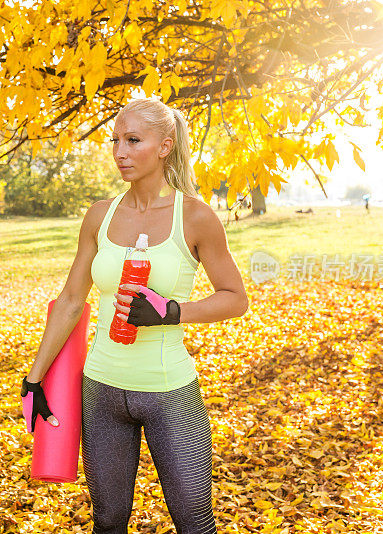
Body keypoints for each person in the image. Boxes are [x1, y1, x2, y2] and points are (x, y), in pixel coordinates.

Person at [20, 98, 249, 534]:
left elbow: (235, 298)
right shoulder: (100, 216)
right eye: (115, 141)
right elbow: (71, 300)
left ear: (164, 147)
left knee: (194, 523)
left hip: (169, 391)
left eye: (132, 141)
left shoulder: (195, 216)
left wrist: (172, 312)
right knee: (107, 521)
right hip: (101, 390)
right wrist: (36, 377)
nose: (119, 152)